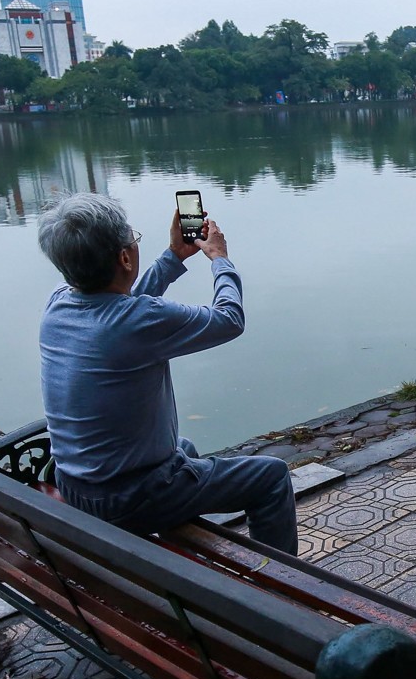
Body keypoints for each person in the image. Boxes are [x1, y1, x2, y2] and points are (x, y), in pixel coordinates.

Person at [35, 192, 297, 554]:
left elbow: (120, 309)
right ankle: (282, 591)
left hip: (78, 487)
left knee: (183, 449)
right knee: (270, 477)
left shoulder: (58, 303)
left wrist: (174, 257)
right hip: (130, 500)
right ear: (125, 257)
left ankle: (183, 550)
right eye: (134, 240)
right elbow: (228, 320)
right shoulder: (140, 321)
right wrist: (219, 259)